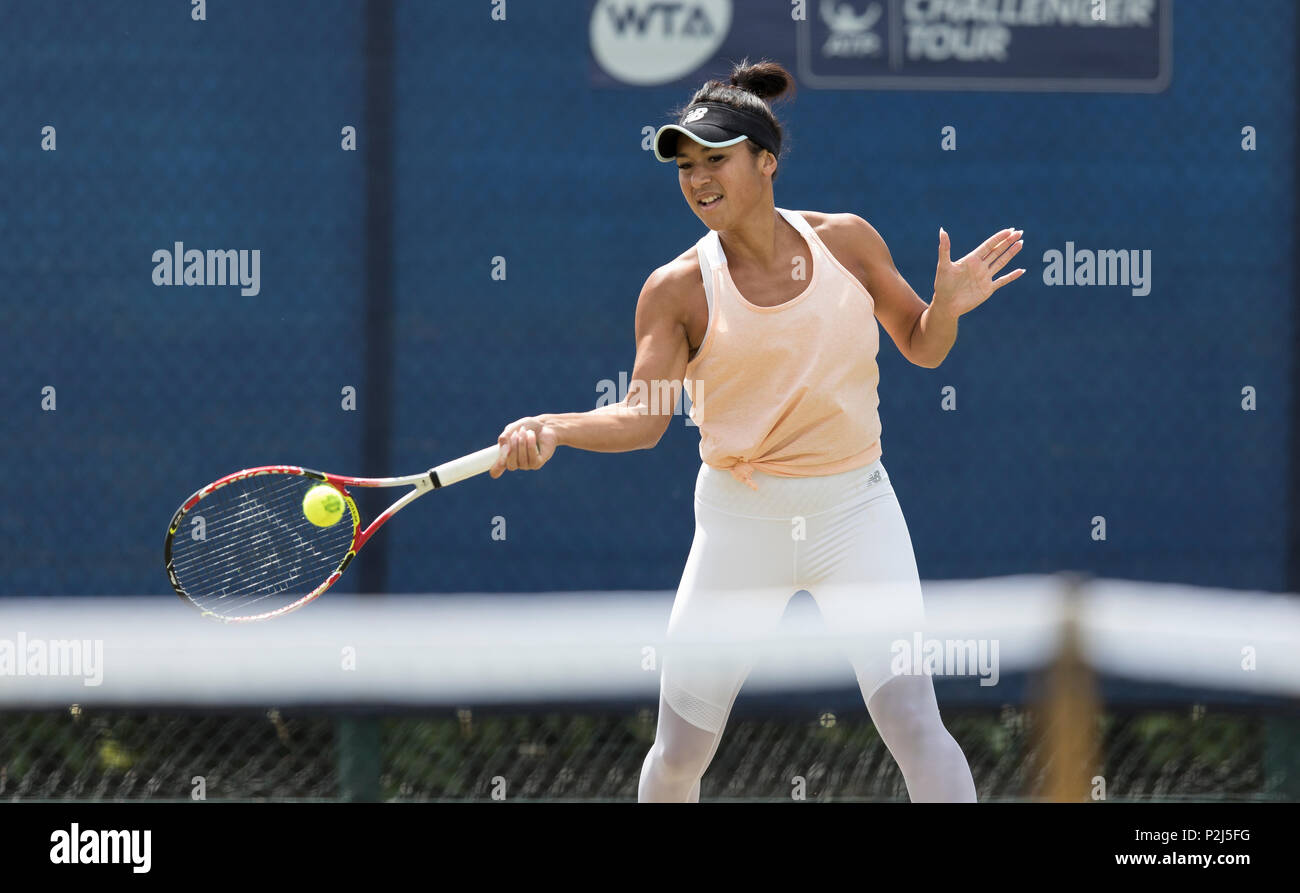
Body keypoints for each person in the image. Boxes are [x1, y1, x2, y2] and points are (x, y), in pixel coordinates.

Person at [489, 58, 1024, 802]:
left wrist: (947, 307)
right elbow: (644, 420)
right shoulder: (675, 289)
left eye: (716, 159)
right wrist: (554, 425)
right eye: (685, 165)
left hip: (855, 512)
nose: (698, 178)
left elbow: (923, 346)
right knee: (678, 754)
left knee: (913, 719)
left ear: (766, 161)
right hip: (741, 523)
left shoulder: (848, 241)